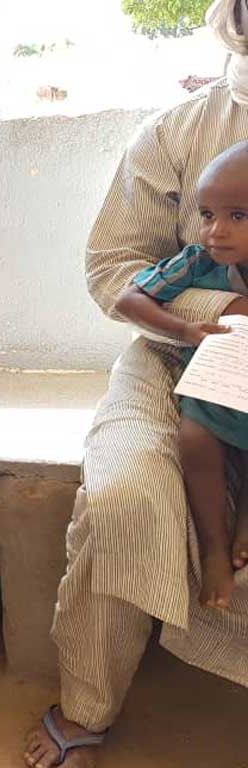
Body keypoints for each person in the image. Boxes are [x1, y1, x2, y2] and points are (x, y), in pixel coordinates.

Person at [23, 1, 248, 768]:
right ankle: (88, 701)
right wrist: (212, 324)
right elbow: (114, 266)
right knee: (125, 499)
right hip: (175, 362)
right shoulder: (179, 131)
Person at [113, 142, 248, 609]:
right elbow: (128, 300)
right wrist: (184, 328)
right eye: (208, 214)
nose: (217, 231)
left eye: (238, 216)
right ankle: (213, 546)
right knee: (194, 439)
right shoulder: (198, 262)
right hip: (214, 389)